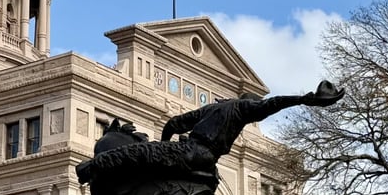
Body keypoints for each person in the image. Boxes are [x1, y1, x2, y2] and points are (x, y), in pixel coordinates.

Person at [76, 81, 344, 189]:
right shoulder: (240, 110)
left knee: (137, 151)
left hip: (190, 151)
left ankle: (92, 167)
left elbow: (172, 124)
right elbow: (272, 104)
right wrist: (304, 99)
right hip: (206, 161)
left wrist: (163, 146)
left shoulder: (215, 108)